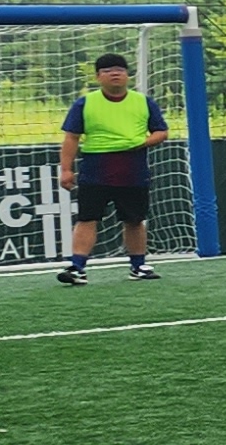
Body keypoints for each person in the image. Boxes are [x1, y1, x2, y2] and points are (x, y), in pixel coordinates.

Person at [54, 48, 173, 285]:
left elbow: (161, 132)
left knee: (134, 219)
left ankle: (138, 266)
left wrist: (140, 143)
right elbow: (71, 138)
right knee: (87, 218)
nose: (115, 74)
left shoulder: (143, 102)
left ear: (127, 75)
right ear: (98, 77)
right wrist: (66, 169)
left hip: (132, 169)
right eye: (108, 71)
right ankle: (77, 267)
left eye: (119, 70)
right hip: (96, 169)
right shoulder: (85, 103)